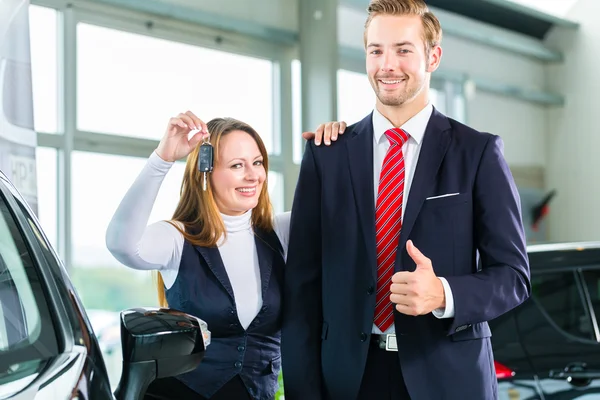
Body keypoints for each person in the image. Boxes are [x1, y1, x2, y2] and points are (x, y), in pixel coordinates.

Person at [281, 1, 531, 399]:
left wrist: (443, 294)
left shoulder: (477, 153)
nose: (387, 65)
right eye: (376, 51)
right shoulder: (327, 153)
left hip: (448, 378)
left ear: (433, 56)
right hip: (349, 380)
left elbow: (514, 277)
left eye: (403, 49)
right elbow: (301, 289)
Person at [105, 111, 342, 400]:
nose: (253, 175)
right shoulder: (179, 238)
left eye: (257, 163)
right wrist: (163, 159)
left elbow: (348, 212)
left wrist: (341, 147)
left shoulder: (280, 232)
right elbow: (122, 244)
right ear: (205, 172)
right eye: (236, 165)